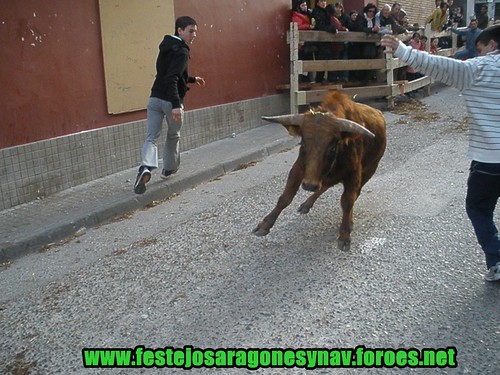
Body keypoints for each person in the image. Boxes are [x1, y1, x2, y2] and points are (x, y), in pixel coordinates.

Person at [381, 25, 500, 282]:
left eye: (480, 50)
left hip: (490, 160)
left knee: (478, 209)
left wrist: (403, 50)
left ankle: (497, 257)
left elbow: (439, 66)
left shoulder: (477, 70)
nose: (478, 55)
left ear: (492, 46)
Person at [134, 16, 206, 195]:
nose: (194, 35)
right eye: (191, 31)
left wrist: (191, 79)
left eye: (195, 31)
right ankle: (169, 169)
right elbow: (172, 78)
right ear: (179, 30)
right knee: (173, 135)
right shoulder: (182, 51)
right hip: (171, 101)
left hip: (154, 99)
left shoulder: (165, 46)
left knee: (151, 136)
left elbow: (167, 73)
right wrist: (175, 104)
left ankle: (146, 167)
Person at [351, 3, 380, 83]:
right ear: (366, 11)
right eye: (369, 11)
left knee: (371, 59)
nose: (371, 13)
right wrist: (371, 30)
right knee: (360, 61)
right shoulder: (361, 17)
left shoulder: (375, 19)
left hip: (371, 44)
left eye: (373, 12)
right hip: (360, 44)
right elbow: (359, 28)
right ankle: (359, 79)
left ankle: (366, 79)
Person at [311, 0, 338, 83]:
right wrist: (332, 29)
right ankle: (318, 80)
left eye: (325, 1)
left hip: (326, 41)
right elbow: (319, 25)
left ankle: (326, 79)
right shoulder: (316, 12)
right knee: (321, 60)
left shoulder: (326, 12)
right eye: (321, 1)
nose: (324, 3)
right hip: (319, 41)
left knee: (327, 60)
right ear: (318, 2)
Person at [291, 0, 315, 83]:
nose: (305, 7)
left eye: (305, 5)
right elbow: (297, 26)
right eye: (303, 5)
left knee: (308, 61)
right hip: (301, 44)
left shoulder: (307, 15)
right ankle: (304, 80)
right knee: (303, 62)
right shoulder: (297, 15)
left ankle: (308, 79)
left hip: (307, 43)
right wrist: (308, 26)